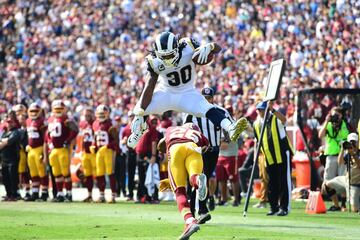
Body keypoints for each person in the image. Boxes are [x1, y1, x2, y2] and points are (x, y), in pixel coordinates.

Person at [127, 31, 248, 149]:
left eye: (169, 55)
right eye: (164, 57)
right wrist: (140, 113)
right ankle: (140, 128)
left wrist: (210, 46)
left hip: (187, 93)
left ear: (177, 48)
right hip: (166, 93)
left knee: (208, 108)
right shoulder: (153, 61)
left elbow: (218, 49)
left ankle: (231, 128)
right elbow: (149, 86)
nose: (168, 60)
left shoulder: (188, 45)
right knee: (139, 109)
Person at [185, 87, 233, 222]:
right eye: (204, 98)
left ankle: (200, 209)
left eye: (209, 98)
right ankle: (199, 210)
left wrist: (226, 138)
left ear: (213, 98)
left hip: (213, 151)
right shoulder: (191, 112)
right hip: (197, 151)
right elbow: (186, 130)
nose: (207, 100)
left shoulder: (221, 112)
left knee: (204, 180)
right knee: (198, 179)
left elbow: (231, 127)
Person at [157, 123, 208, 240]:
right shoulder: (197, 133)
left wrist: (172, 179)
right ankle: (197, 181)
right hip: (194, 147)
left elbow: (160, 145)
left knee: (180, 191)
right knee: (194, 178)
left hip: (175, 148)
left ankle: (190, 221)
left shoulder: (172, 129)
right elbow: (205, 148)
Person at [253, 101, 293, 216]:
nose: (260, 112)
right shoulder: (256, 124)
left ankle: (284, 207)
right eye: (259, 110)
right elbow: (257, 141)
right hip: (268, 156)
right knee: (272, 183)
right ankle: (273, 206)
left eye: (263, 110)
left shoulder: (275, 119)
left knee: (283, 181)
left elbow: (284, 120)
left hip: (281, 154)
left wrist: (273, 110)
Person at [45, 100, 79, 202]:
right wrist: (49, 143)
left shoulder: (66, 119)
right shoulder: (51, 119)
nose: (58, 110)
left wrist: (67, 141)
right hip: (54, 150)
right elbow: (48, 134)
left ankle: (68, 194)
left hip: (63, 149)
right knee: (57, 173)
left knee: (65, 172)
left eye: (60, 108)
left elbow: (75, 130)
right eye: (56, 109)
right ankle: (60, 193)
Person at [324, 133, 360, 212]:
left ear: (357, 142)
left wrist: (353, 154)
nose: (352, 145)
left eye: (354, 142)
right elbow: (340, 162)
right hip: (346, 180)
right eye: (350, 142)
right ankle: (336, 205)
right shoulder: (348, 153)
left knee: (354, 210)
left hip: (356, 184)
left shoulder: (357, 153)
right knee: (326, 185)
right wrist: (342, 149)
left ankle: (354, 204)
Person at [91, 105, 118, 203]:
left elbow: (116, 140)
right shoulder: (95, 124)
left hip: (109, 151)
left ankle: (113, 195)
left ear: (107, 114)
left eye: (103, 113)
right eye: (100, 114)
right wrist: (93, 145)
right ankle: (101, 195)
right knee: (99, 173)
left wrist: (107, 146)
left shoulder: (111, 124)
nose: (101, 115)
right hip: (99, 151)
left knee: (110, 172)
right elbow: (94, 137)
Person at [319, 107, 349, 190]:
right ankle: (327, 199)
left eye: (338, 115)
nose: (336, 117)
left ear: (341, 115)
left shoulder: (344, 124)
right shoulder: (328, 124)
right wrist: (326, 121)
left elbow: (347, 137)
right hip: (331, 155)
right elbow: (320, 135)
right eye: (334, 115)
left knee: (343, 179)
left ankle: (343, 202)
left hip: (342, 155)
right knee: (328, 179)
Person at [25, 103, 49, 201]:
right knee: (33, 172)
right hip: (31, 150)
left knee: (42, 172)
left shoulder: (42, 122)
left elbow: (45, 138)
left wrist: (44, 153)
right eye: (32, 111)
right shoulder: (28, 121)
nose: (34, 113)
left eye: (36, 111)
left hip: (39, 148)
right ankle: (35, 192)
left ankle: (44, 193)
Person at [134, 116, 160, 203]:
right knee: (142, 177)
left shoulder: (151, 130)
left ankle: (152, 197)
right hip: (140, 155)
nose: (154, 123)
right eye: (153, 121)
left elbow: (154, 143)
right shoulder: (141, 127)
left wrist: (153, 155)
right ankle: (143, 196)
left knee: (151, 177)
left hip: (148, 155)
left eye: (155, 122)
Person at [216, 130, 241, 207]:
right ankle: (224, 199)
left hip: (231, 155)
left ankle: (236, 200)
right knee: (221, 179)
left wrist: (221, 141)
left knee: (233, 179)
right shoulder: (217, 125)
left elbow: (225, 144)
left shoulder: (232, 124)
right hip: (220, 155)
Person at [0, 111, 21, 201]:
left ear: (14, 123)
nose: (9, 124)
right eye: (8, 122)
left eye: (11, 122)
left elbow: (9, 141)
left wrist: (4, 142)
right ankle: (8, 194)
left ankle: (14, 194)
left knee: (13, 177)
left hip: (13, 158)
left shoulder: (16, 131)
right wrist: (4, 142)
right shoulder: (5, 133)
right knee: (5, 178)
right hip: (4, 158)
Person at [12, 104, 30, 200]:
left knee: (29, 172)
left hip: (29, 152)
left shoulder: (29, 127)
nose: (21, 120)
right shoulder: (18, 128)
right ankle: (24, 191)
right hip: (21, 152)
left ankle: (33, 191)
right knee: (22, 172)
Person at [79, 107, 96, 202]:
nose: (86, 117)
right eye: (85, 115)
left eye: (88, 115)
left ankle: (102, 195)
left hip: (93, 152)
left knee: (98, 174)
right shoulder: (83, 124)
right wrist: (81, 150)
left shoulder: (95, 124)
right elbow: (83, 138)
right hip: (85, 152)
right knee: (87, 175)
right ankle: (89, 195)